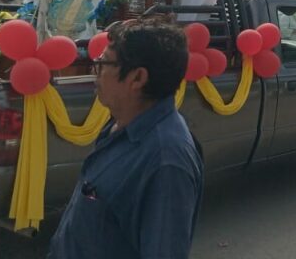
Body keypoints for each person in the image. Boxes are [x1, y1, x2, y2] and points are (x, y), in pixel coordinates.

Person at [49, 18, 203, 258]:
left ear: (137, 78)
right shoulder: (120, 123)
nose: (95, 71)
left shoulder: (166, 161)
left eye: (102, 63)